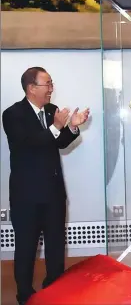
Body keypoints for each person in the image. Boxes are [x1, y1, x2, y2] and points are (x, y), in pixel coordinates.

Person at [2, 67, 90, 305]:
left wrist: (72, 126)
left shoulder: (51, 111)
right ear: (31, 88)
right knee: (26, 247)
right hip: (26, 195)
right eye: (47, 84)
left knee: (55, 245)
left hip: (53, 193)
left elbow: (59, 143)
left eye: (52, 84)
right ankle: (24, 294)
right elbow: (28, 144)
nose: (51, 89)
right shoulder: (12, 114)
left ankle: (55, 286)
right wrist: (56, 127)